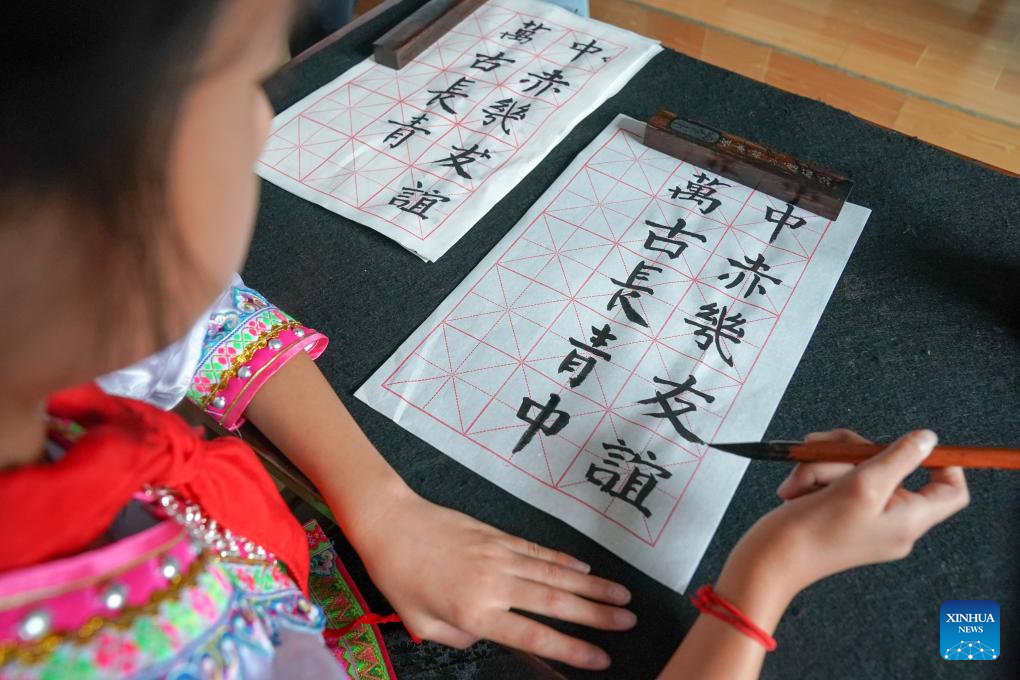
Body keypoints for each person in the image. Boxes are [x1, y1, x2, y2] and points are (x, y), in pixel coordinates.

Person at [0, 2, 968, 679]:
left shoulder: (48, 334)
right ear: (72, 207)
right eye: (240, 84)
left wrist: (382, 502)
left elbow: (207, 316)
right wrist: (764, 582)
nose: (263, 125)